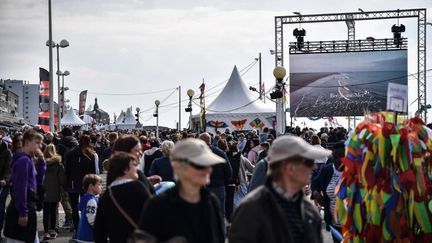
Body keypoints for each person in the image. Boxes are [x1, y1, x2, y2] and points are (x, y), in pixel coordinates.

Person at [229, 135, 330, 243]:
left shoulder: (309, 210)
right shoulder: (251, 209)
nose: (313, 167)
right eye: (308, 163)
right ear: (290, 168)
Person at [139, 139, 225, 243]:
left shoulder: (211, 201)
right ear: (179, 167)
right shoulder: (157, 205)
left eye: (209, 164)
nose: (208, 170)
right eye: (200, 165)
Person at [94, 152, 152, 242]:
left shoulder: (107, 194)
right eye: (134, 165)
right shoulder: (137, 187)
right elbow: (153, 214)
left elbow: (99, 229)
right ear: (125, 169)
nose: (137, 169)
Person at [4, 129, 46, 243]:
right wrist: (23, 212)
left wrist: (42, 162)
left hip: (27, 206)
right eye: (37, 143)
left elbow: (39, 182)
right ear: (27, 142)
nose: (40, 146)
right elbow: (20, 188)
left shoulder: (29, 160)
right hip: (22, 208)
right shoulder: (24, 161)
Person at [311, 141, 345, 243]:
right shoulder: (327, 170)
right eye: (335, 157)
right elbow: (315, 182)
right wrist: (315, 193)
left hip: (355, 224)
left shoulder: (355, 170)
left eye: (342, 156)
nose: (338, 159)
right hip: (335, 223)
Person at [64, 134, 98, 232]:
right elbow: (93, 172)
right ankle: (85, 225)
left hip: (72, 184)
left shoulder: (70, 153)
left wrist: (67, 183)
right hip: (86, 185)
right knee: (86, 206)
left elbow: (67, 170)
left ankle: (77, 226)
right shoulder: (91, 154)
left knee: (74, 207)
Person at [199, 133, 232, 219]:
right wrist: (224, 184)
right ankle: (220, 232)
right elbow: (229, 171)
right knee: (220, 214)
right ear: (210, 140)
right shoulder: (220, 152)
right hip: (219, 187)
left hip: (202, 188)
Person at [42, 144, 65, 240]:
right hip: (55, 190)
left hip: (44, 191)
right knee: (53, 211)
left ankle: (46, 231)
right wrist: (64, 188)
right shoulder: (58, 165)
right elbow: (62, 179)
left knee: (45, 212)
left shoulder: (41, 163)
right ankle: (52, 230)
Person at [77, 174, 102, 243]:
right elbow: (92, 220)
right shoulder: (91, 200)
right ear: (91, 186)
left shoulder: (85, 198)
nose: (101, 187)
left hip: (83, 235)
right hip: (89, 237)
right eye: (99, 185)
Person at [0, 135, 11, 239]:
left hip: (3, 183)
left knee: (0, 205)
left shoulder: (7, 152)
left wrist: (5, 179)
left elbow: (8, 169)